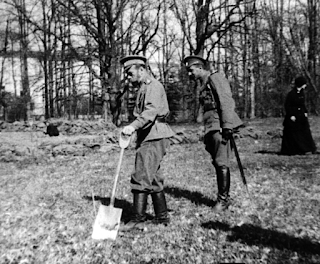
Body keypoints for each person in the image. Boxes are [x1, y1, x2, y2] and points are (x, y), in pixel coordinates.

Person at [120, 55, 175, 231]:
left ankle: (138, 219)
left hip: (153, 135)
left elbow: (150, 112)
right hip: (152, 135)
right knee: (153, 178)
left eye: (130, 73)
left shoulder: (152, 86)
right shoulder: (145, 87)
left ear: (141, 69)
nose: (128, 77)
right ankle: (162, 217)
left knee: (141, 175)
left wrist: (132, 127)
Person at [183, 55, 243, 212]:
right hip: (211, 126)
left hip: (219, 126)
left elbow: (226, 101)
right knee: (217, 162)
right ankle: (223, 197)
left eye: (191, 70)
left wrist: (227, 125)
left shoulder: (215, 77)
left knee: (222, 161)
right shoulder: (203, 85)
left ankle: (223, 200)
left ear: (200, 67)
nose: (189, 74)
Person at [280, 76, 317, 155]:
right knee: (293, 133)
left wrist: (305, 112)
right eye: (304, 84)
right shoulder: (291, 94)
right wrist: (291, 115)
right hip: (293, 115)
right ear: (300, 84)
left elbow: (302, 104)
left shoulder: (302, 93)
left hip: (301, 115)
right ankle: (292, 150)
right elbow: (287, 105)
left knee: (305, 131)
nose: (305, 85)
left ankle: (308, 148)